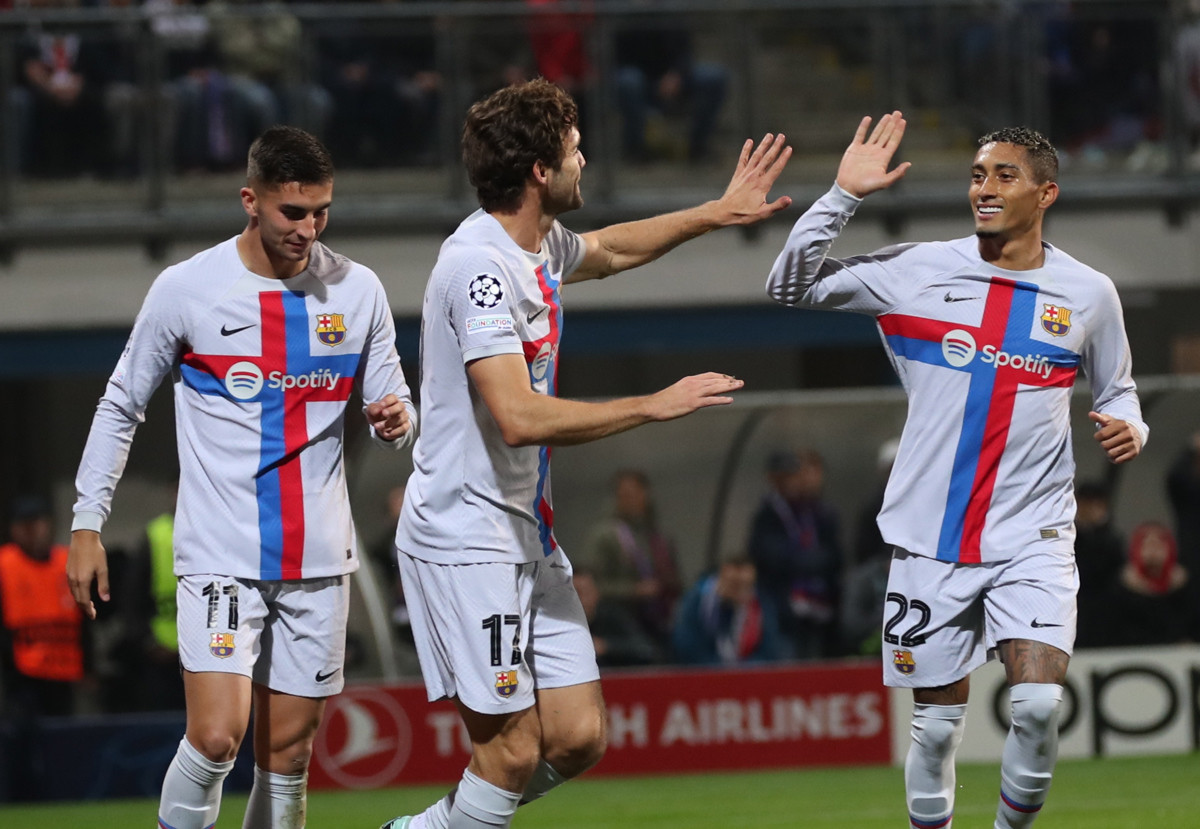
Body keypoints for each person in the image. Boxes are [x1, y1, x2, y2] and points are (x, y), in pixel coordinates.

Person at [380, 78, 790, 829]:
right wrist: (650, 404)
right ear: (540, 170)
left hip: (525, 534)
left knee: (576, 737)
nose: (586, 161)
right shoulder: (477, 268)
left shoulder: (536, 244)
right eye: (574, 150)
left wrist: (714, 212)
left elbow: (606, 249)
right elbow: (516, 415)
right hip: (466, 540)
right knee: (508, 752)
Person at [766, 113, 1146, 829]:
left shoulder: (1089, 293)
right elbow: (788, 287)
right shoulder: (917, 271)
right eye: (977, 174)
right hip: (928, 537)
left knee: (1036, 707)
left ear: (1047, 193)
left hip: (1034, 533)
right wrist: (843, 196)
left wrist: (1132, 422)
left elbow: (1118, 388)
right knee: (937, 728)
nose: (985, 188)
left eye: (1004, 175)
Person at [68, 125, 416, 829]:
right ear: (250, 201)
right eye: (295, 212)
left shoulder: (358, 290)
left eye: (322, 211)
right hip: (222, 549)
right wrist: (86, 520)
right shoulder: (189, 288)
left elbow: (395, 397)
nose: (310, 229)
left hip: (318, 556)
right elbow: (122, 401)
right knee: (218, 736)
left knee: (288, 755)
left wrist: (394, 418)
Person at [747, 448, 842, 659]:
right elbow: (771, 556)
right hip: (783, 609)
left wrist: (807, 560)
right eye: (786, 477)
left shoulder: (817, 511)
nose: (792, 482)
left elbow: (834, 555)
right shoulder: (768, 514)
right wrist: (810, 560)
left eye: (795, 475)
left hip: (819, 608)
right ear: (774, 479)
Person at [582, 468, 682, 648]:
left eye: (636, 494)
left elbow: (675, 575)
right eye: (624, 495)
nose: (631, 500)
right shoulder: (606, 535)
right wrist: (634, 590)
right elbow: (594, 585)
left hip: (661, 618)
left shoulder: (658, 535)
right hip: (622, 619)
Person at [671, 555, 783, 666]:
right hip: (706, 675)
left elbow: (770, 651)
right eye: (735, 585)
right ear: (720, 579)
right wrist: (722, 671)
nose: (741, 591)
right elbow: (689, 648)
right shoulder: (697, 603)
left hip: (748, 676)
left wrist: (742, 671)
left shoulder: (761, 604)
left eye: (747, 585)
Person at [1102, 522, 1194, 647]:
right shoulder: (1120, 589)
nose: (1153, 550)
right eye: (1146, 544)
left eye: (1159, 544)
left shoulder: (1186, 587)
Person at [1071, 480, 1126, 649]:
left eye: (1096, 504)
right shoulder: (1065, 538)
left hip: (1105, 617)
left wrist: (1097, 529)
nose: (1089, 509)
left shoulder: (1112, 541)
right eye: (1085, 503)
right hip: (1072, 611)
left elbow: (1112, 574)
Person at [572, 567, 663, 669]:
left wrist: (605, 646)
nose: (580, 600)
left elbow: (646, 649)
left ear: (596, 594)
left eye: (584, 593)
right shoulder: (558, 624)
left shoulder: (612, 616)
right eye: (572, 594)